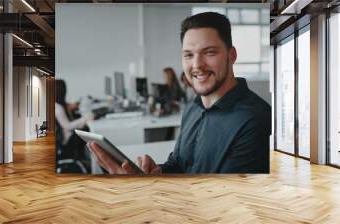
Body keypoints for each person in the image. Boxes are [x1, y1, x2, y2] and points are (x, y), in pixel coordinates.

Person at [88, 12, 271, 174]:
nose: (197, 65)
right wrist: (158, 172)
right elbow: (179, 163)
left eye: (209, 52)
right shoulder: (193, 107)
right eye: (188, 55)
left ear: (231, 56)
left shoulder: (256, 119)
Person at [55, 79, 94, 172]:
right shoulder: (58, 107)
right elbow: (67, 126)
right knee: (87, 131)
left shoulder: (59, 105)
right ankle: (90, 160)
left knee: (86, 129)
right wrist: (85, 119)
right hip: (66, 141)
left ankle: (87, 158)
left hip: (68, 136)